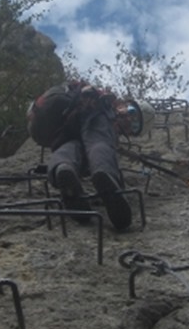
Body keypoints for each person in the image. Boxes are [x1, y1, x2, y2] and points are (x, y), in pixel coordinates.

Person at [34, 82, 152, 231]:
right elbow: (99, 141)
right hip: (91, 113)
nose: (129, 120)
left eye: (135, 126)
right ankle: (105, 174)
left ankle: (63, 168)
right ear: (123, 104)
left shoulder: (81, 103)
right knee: (100, 142)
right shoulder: (105, 107)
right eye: (132, 112)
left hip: (66, 126)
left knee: (71, 148)